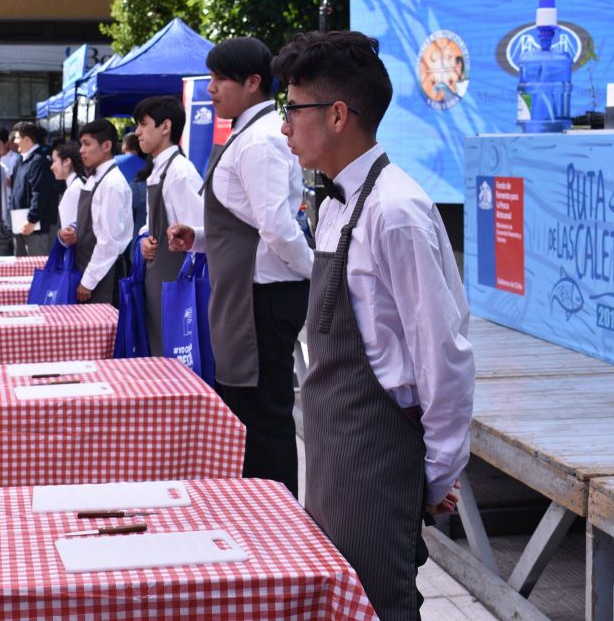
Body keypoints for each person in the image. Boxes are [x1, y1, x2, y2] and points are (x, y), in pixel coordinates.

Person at [273, 31, 474, 618]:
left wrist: (434, 473)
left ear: (337, 115)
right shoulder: (333, 207)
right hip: (332, 449)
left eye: (294, 109)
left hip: (376, 455)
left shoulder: (396, 211)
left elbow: (443, 351)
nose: (284, 127)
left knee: (381, 604)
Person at [168, 37, 313, 497]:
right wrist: (200, 238)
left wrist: (316, 273)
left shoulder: (261, 140)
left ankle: (277, 518)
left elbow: (277, 228)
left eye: (219, 79)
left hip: (261, 300)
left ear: (253, 82)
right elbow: (251, 222)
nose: (211, 89)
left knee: (263, 420)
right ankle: (261, 511)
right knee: (249, 416)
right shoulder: (249, 134)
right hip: (248, 297)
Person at [133, 96, 204, 357]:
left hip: (176, 285)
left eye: (143, 124)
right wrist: (144, 238)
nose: (137, 132)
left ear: (165, 126)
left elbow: (200, 234)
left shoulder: (180, 172)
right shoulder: (158, 170)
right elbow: (150, 222)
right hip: (157, 281)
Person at [58, 119, 132, 305]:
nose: (81, 150)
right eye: (81, 144)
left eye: (87, 144)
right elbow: (94, 223)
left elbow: (109, 241)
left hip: (103, 275)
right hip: (88, 268)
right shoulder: (94, 178)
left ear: (106, 145)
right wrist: (75, 230)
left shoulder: (112, 184)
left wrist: (88, 282)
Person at [10, 122, 59, 256]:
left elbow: (40, 193)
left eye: (17, 138)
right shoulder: (20, 161)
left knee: (35, 264)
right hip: (19, 223)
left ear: (27, 139)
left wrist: (32, 220)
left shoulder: (38, 161)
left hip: (34, 227)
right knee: (20, 266)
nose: (15, 141)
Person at [50, 142, 86, 232]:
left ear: (67, 161)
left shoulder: (73, 190)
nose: (51, 167)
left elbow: (68, 232)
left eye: (54, 161)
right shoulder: (82, 181)